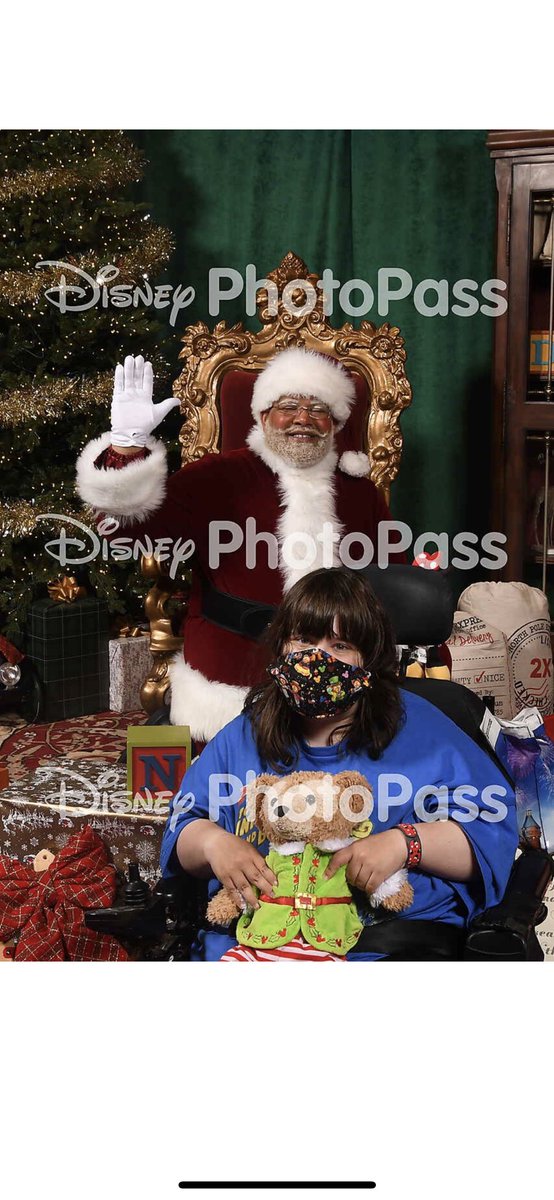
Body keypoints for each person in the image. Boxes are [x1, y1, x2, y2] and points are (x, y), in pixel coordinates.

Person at [160, 567, 518, 961]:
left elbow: (491, 835)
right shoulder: (246, 732)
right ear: (280, 645)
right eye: (303, 639)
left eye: (340, 645)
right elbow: (185, 824)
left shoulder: (429, 729)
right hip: (254, 942)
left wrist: (405, 843)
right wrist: (213, 842)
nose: (317, 658)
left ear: (369, 657)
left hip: (384, 946)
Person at [75, 348, 404, 744]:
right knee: (227, 783)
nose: (303, 419)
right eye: (289, 405)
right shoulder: (217, 476)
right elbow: (126, 531)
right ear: (263, 416)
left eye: (318, 409)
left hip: (336, 679)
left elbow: (393, 576)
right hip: (229, 677)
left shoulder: (359, 492)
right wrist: (127, 448)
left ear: (334, 424)